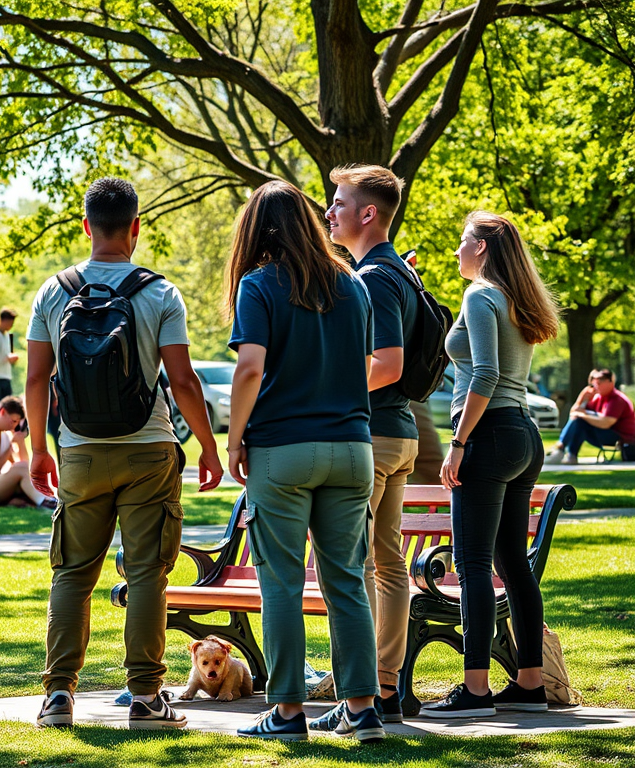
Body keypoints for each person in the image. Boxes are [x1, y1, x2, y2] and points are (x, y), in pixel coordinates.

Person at [26, 177, 223, 730]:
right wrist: (209, 446)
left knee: (72, 574)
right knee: (145, 577)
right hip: (149, 450)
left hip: (80, 452)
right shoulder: (160, 293)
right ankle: (145, 698)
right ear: (136, 228)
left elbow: (37, 377)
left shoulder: (52, 291)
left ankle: (59, 697)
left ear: (86, 226)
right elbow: (183, 381)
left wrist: (38, 448)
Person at [227, 180, 384, 742]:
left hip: (283, 450)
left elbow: (248, 369)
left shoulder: (259, 284)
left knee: (282, 584)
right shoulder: (353, 285)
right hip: (353, 448)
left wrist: (233, 439)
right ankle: (363, 710)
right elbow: (365, 363)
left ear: (256, 230)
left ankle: (289, 712)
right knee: (346, 581)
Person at [422, 212, 558, 718]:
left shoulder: (480, 294)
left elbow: (485, 373)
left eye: (462, 242)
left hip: (488, 434)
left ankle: (475, 690)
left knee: (472, 563)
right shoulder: (515, 297)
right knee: (511, 565)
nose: (457, 250)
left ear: (481, 248)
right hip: (523, 435)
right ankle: (529, 684)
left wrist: (458, 441)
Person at [324, 164, 417, 724]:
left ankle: (364, 694)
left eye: (338, 203)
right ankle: (383, 690)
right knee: (387, 565)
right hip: (398, 435)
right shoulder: (394, 272)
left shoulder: (375, 277)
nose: (329, 212)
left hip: (375, 437)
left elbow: (388, 364)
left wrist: (324, 383)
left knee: (352, 566)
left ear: (368, 214)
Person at [0, 395, 56, 509]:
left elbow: (22, 466)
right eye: (13, 421)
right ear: (2, 412)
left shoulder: (5, 436)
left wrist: (20, 442)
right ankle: (45, 502)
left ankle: (43, 499)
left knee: (22, 476)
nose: (14, 426)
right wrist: (10, 448)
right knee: (20, 472)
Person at [545, 368, 635, 464]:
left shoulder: (617, 399)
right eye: (595, 382)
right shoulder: (597, 397)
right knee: (578, 421)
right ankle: (567, 452)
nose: (597, 385)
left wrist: (582, 416)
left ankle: (562, 450)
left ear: (610, 382)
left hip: (621, 438)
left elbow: (606, 423)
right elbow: (573, 414)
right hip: (605, 434)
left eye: (601, 381)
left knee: (581, 421)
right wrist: (582, 398)